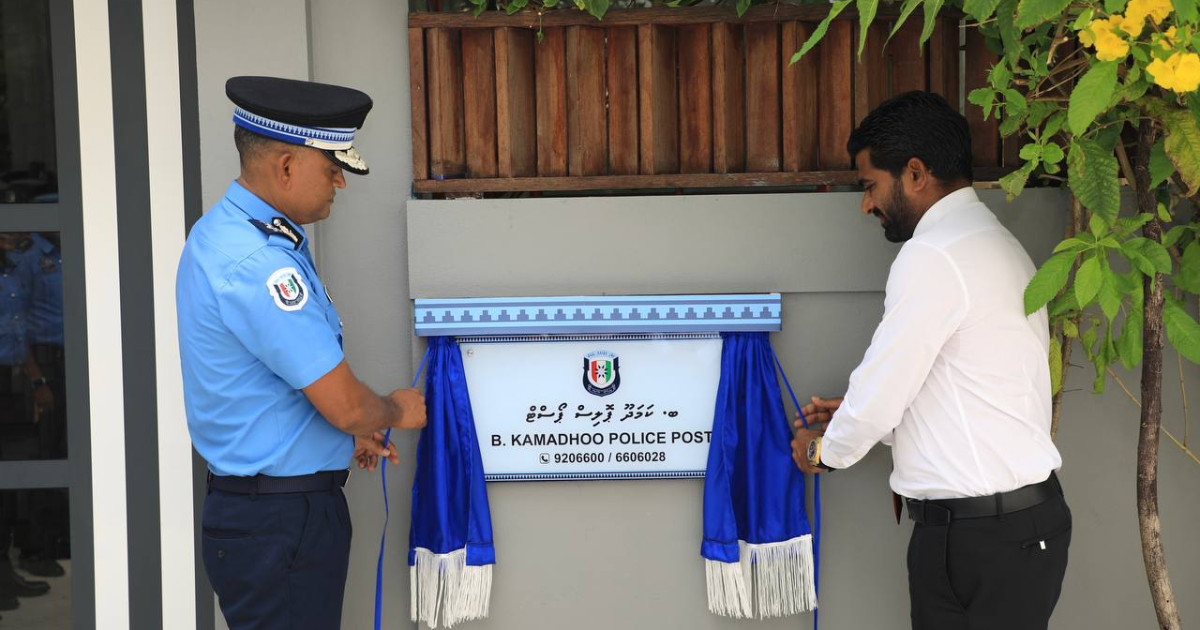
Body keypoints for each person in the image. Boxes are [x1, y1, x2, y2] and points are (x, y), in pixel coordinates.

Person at [790, 91, 1070, 630]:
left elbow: (883, 387)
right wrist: (869, 415)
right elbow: (968, 393)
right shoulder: (994, 243)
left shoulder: (933, 255)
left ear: (915, 173)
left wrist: (824, 451)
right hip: (1017, 529)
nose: (866, 204)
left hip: (978, 539)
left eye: (870, 185)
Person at [177, 76, 427, 630]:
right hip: (281, 522)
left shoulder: (236, 234)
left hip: (269, 516)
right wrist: (390, 411)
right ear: (286, 166)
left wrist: (346, 428)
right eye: (331, 164)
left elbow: (274, 381)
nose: (340, 179)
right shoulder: (259, 263)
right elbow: (345, 404)